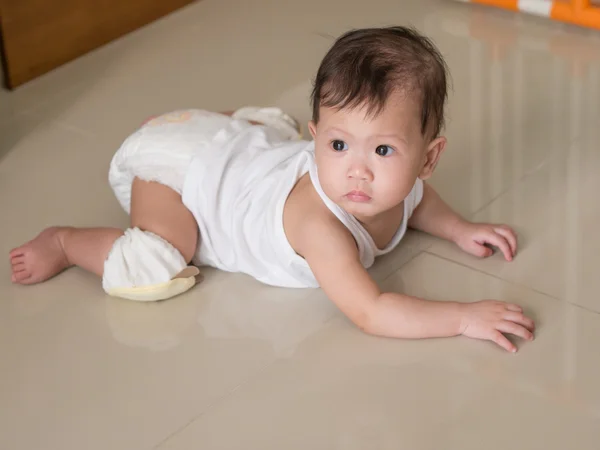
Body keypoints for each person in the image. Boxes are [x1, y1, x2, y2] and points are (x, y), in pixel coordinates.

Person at [8, 26, 534, 352]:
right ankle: (65, 242)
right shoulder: (321, 226)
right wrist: (463, 317)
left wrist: (460, 229)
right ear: (316, 137)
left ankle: (211, 121)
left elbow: (419, 204)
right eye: (337, 145)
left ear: (428, 159)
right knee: (164, 258)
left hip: (232, 151)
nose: (357, 171)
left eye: (382, 151)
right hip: (186, 181)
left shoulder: (398, 188)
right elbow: (372, 311)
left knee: (265, 142)